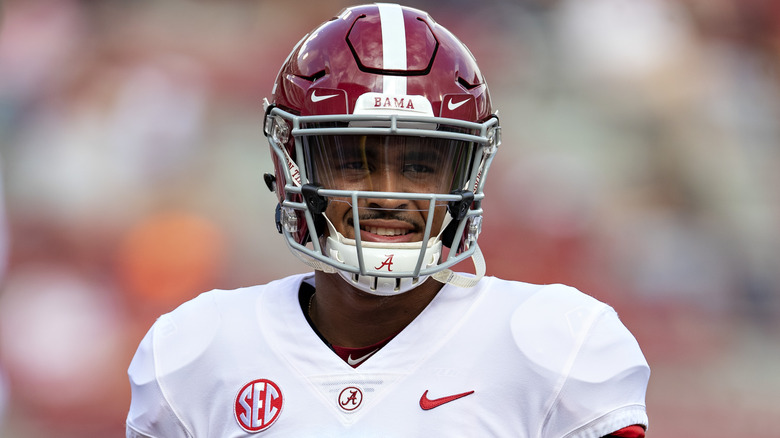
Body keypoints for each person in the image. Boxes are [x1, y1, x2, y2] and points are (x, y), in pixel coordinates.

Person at [126, 3, 650, 437]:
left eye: (421, 166)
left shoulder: (556, 344)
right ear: (290, 168)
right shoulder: (196, 350)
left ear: (466, 177)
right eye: (354, 162)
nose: (388, 194)